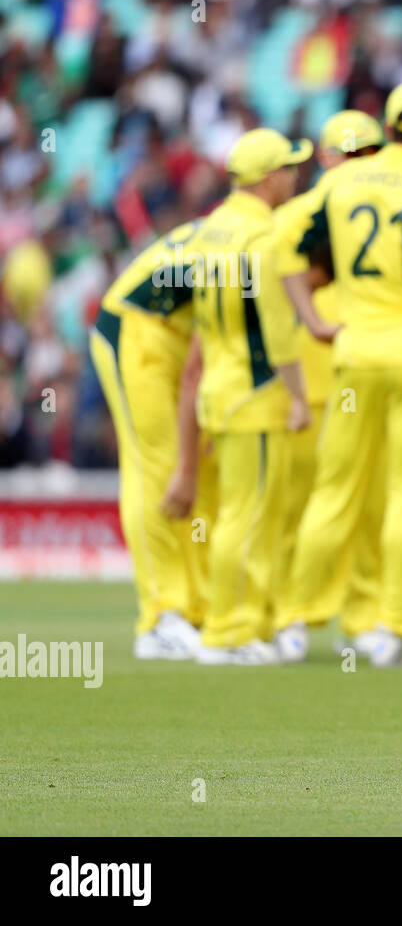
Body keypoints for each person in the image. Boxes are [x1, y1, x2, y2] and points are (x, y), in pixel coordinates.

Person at [281, 82, 402, 668]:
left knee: (334, 491)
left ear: (387, 128)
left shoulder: (343, 181)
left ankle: (297, 621)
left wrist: (312, 318)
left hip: (354, 354)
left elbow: (285, 245)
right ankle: (398, 629)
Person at [188, 127, 313, 663]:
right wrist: (300, 397)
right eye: (288, 168)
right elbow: (277, 332)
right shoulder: (262, 236)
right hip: (254, 394)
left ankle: (246, 624)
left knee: (238, 511)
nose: (294, 176)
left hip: (220, 387)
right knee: (249, 515)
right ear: (269, 179)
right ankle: (230, 630)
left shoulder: (208, 231)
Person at [270, 109, 386, 662]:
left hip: (334, 371)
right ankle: (312, 617)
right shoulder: (379, 208)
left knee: (340, 504)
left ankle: (320, 619)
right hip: (337, 370)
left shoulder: (301, 212)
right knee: (336, 505)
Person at [90, 218, 213, 661]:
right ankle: (161, 617)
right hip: (133, 328)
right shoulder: (251, 252)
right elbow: (207, 354)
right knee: (157, 468)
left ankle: (196, 607)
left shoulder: (242, 233)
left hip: (167, 335)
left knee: (193, 469)